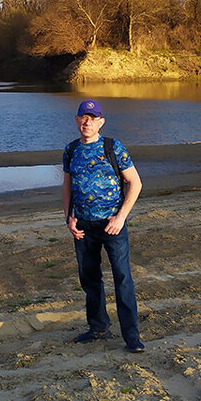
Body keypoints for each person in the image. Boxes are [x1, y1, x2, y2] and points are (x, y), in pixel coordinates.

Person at [62, 98, 145, 353]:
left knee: (122, 279)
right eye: (83, 118)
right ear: (77, 120)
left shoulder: (113, 147)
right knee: (90, 278)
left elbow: (135, 183)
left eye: (92, 118)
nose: (87, 122)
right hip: (83, 227)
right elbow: (67, 185)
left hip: (112, 225)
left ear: (101, 122)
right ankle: (98, 327)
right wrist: (69, 218)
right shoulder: (71, 150)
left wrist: (120, 217)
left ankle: (131, 336)